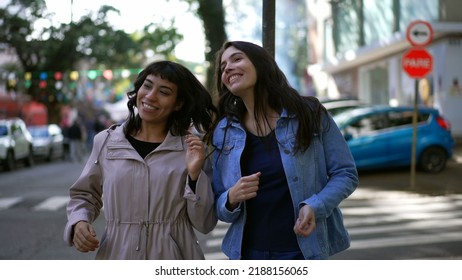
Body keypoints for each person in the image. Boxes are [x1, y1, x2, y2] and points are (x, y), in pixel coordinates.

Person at [210, 41, 359, 260]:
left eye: (237, 59)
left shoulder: (309, 113)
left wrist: (315, 206)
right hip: (247, 254)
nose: (228, 68)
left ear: (261, 65)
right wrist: (231, 197)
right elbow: (218, 203)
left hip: (303, 252)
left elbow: (346, 173)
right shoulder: (224, 130)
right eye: (223, 67)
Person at [63, 61, 218, 259]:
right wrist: (79, 221)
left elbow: (205, 223)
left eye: (164, 92)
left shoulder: (192, 150)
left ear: (178, 103)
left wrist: (195, 177)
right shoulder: (106, 142)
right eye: (147, 85)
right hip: (117, 254)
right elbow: (84, 195)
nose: (151, 96)